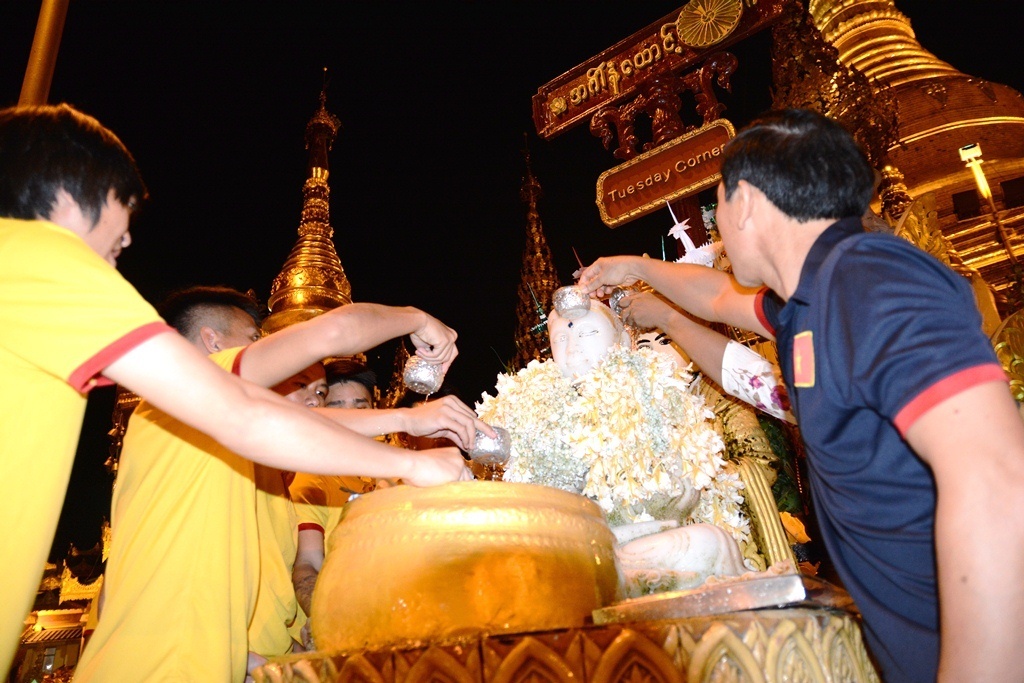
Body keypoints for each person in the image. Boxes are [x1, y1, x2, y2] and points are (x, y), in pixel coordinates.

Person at [0, 104, 470, 677]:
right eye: (118, 237)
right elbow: (306, 359)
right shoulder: (43, 262)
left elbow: (278, 418)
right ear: (69, 194)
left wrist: (414, 425)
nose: (117, 256)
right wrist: (415, 330)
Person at [578, 108, 1024, 682]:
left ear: (748, 203)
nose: (715, 228)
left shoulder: (871, 279)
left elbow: (997, 478)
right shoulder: (809, 301)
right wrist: (633, 267)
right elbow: (717, 299)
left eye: (718, 205)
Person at [75, 286, 487, 681]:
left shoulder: (245, 465)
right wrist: (418, 320)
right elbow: (333, 333)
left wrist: (407, 420)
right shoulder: (177, 397)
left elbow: (304, 423)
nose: (274, 352)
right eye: (256, 339)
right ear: (213, 343)